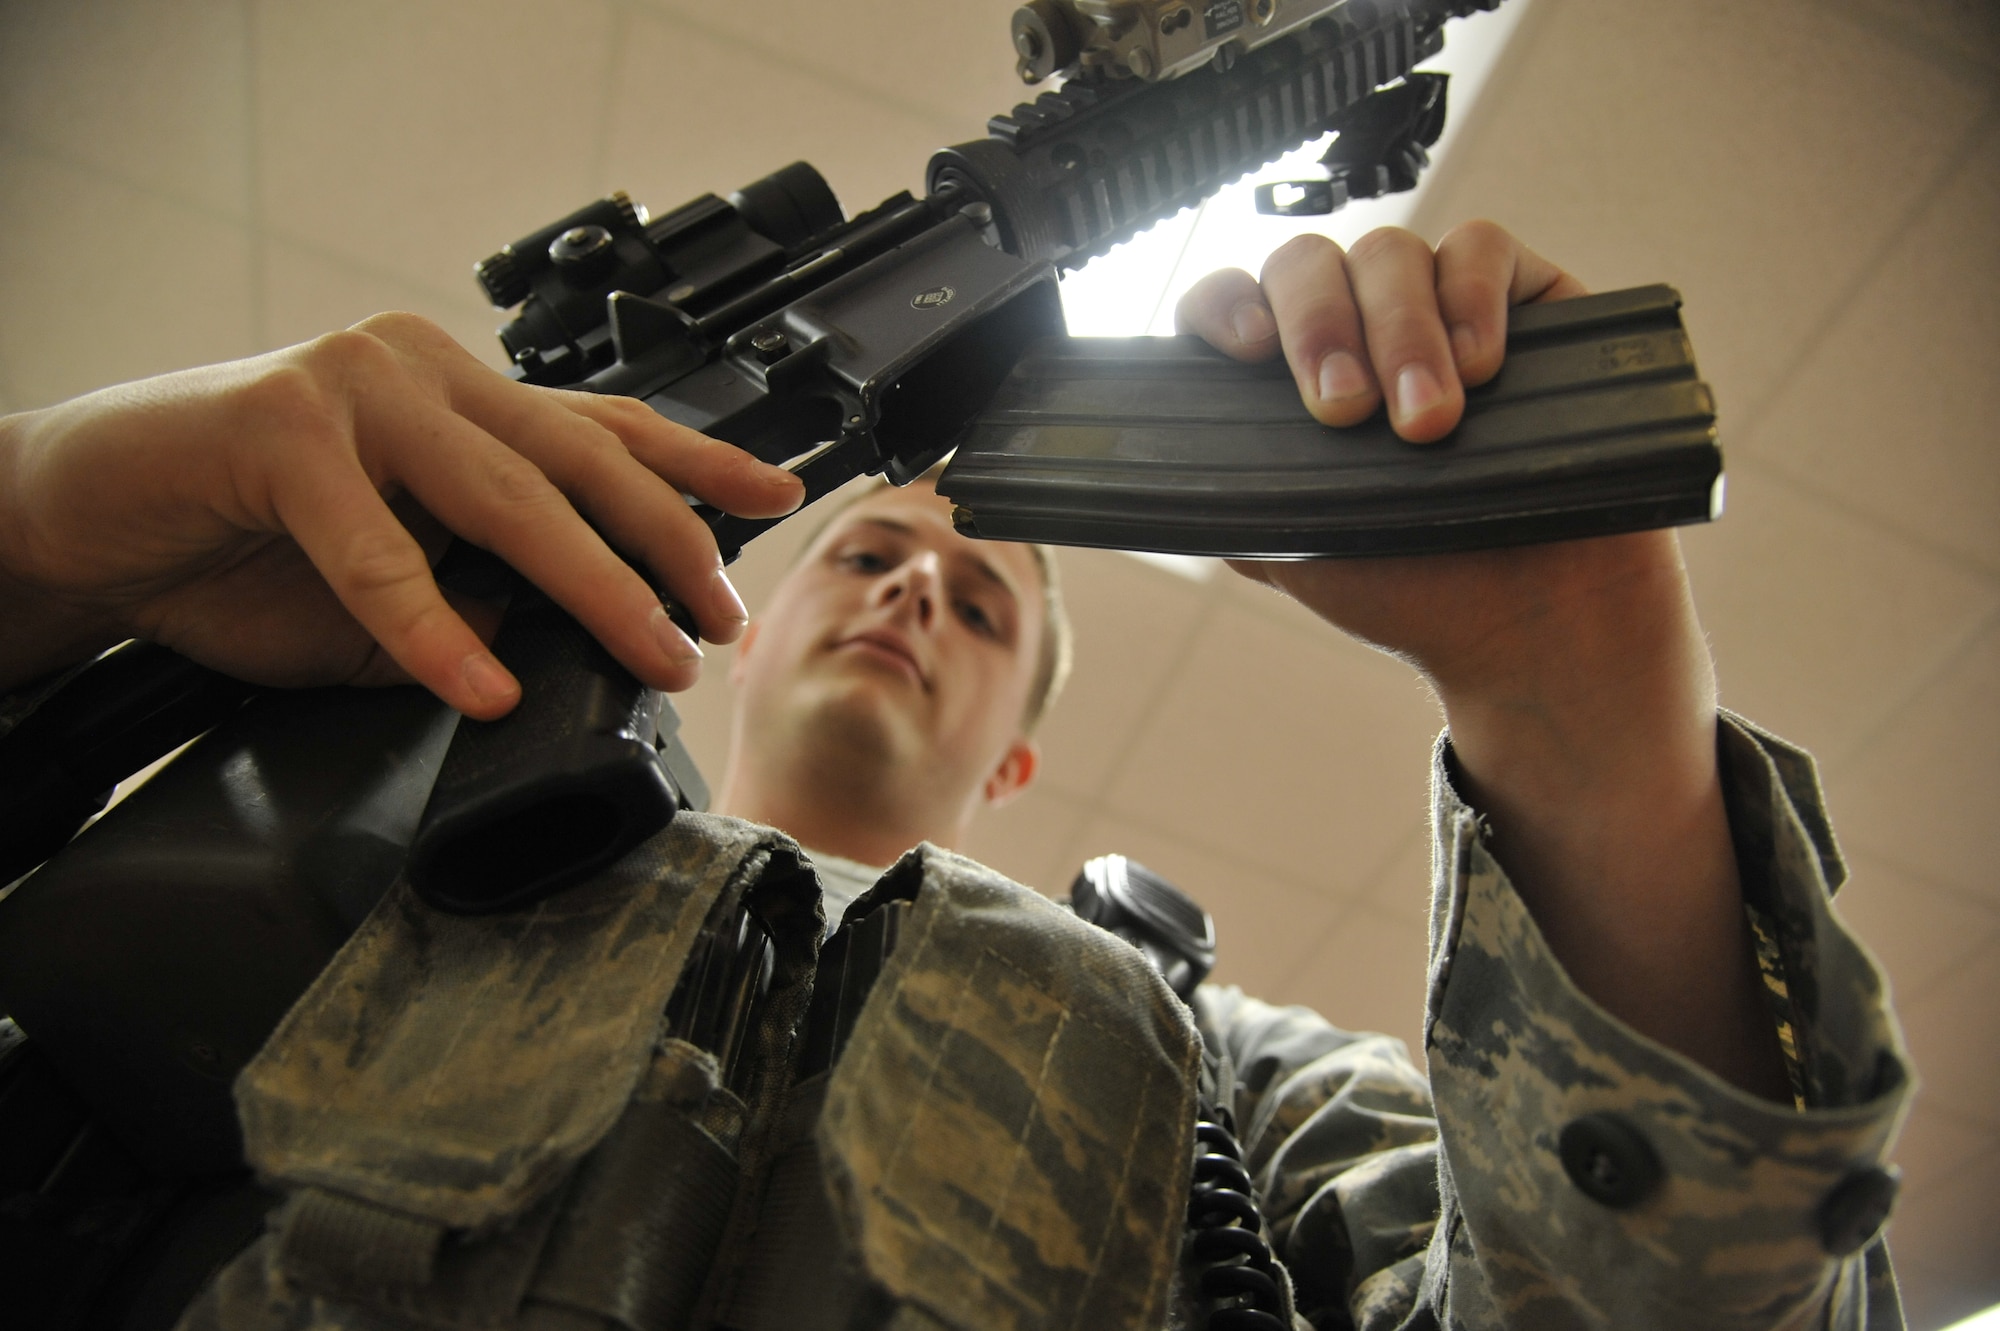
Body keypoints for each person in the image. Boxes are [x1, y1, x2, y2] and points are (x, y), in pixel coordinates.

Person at [0, 223, 1910, 1329]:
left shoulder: (1222, 1073)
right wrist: (39, 526)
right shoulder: (354, 855)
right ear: (739, 618)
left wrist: (1585, 710)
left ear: (1016, 753)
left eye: (984, 598)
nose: (917, 580)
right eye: (867, 554)